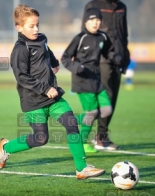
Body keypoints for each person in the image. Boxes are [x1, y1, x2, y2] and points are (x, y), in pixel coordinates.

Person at [0, 4, 105, 180]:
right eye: (31, 26)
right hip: (33, 102)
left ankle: (81, 168)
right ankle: (6, 148)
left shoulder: (42, 39)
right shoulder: (20, 49)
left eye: (37, 24)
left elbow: (47, 51)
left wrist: (54, 62)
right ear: (19, 27)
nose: (36, 29)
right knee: (40, 138)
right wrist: (45, 88)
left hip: (54, 99)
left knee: (71, 124)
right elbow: (22, 77)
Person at [61, 8, 121, 153]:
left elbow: (108, 51)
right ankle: (81, 143)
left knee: (106, 110)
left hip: (96, 80)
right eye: (92, 20)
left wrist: (114, 57)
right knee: (92, 112)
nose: (95, 23)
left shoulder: (103, 37)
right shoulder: (79, 38)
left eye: (98, 20)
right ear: (86, 22)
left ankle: (74, 119)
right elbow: (65, 58)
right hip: (82, 81)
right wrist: (76, 67)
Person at [83, 0, 130, 150]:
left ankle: (100, 136)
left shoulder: (122, 7)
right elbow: (85, 32)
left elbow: (124, 34)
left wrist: (125, 56)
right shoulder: (93, 5)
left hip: (119, 57)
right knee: (106, 96)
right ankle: (94, 136)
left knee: (113, 97)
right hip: (102, 58)